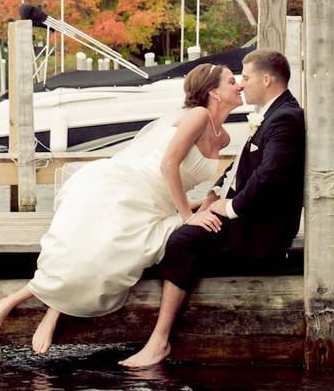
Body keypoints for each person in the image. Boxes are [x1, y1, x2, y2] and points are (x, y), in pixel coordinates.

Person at [0, 62, 243, 353]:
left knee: (120, 257)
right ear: (214, 92)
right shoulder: (197, 116)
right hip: (136, 186)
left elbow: (184, 177)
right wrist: (186, 216)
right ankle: (17, 299)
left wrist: (194, 205)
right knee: (103, 246)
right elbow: (168, 165)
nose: (240, 85)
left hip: (162, 203)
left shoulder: (225, 137)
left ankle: (55, 308)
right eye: (232, 81)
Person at [121, 49, 305, 367]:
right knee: (178, 233)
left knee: (182, 240)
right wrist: (214, 194)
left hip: (262, 231)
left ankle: (159, 340)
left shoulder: (285, 117)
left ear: (266, 78)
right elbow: (244, 168)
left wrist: (230, 207)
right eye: (237, 80)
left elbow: (269, 174)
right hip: (251, 217)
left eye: (245, 78)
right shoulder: (275, 113)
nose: (242, 85)